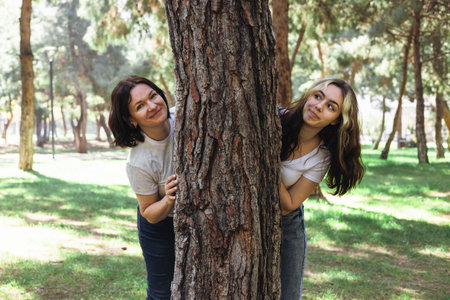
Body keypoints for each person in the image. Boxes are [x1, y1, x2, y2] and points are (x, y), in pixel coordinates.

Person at [279, 77, 365, 299]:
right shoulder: (275, 120)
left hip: (287, 226)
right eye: (318, 96)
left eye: (330, 107)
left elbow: (288, 204)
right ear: (309, 95)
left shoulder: (321, 156)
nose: (318, 106)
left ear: (336, 120)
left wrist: (267, 164)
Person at [108, 75, 178, 300]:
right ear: (131, 120)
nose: (152, 106)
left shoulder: (187, 118)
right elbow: (149, 213)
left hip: (197, 219)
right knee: (162, 293)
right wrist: (167, 198)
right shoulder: (139, 162)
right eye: (140, 106)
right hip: (159, 226)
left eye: (153, 96)